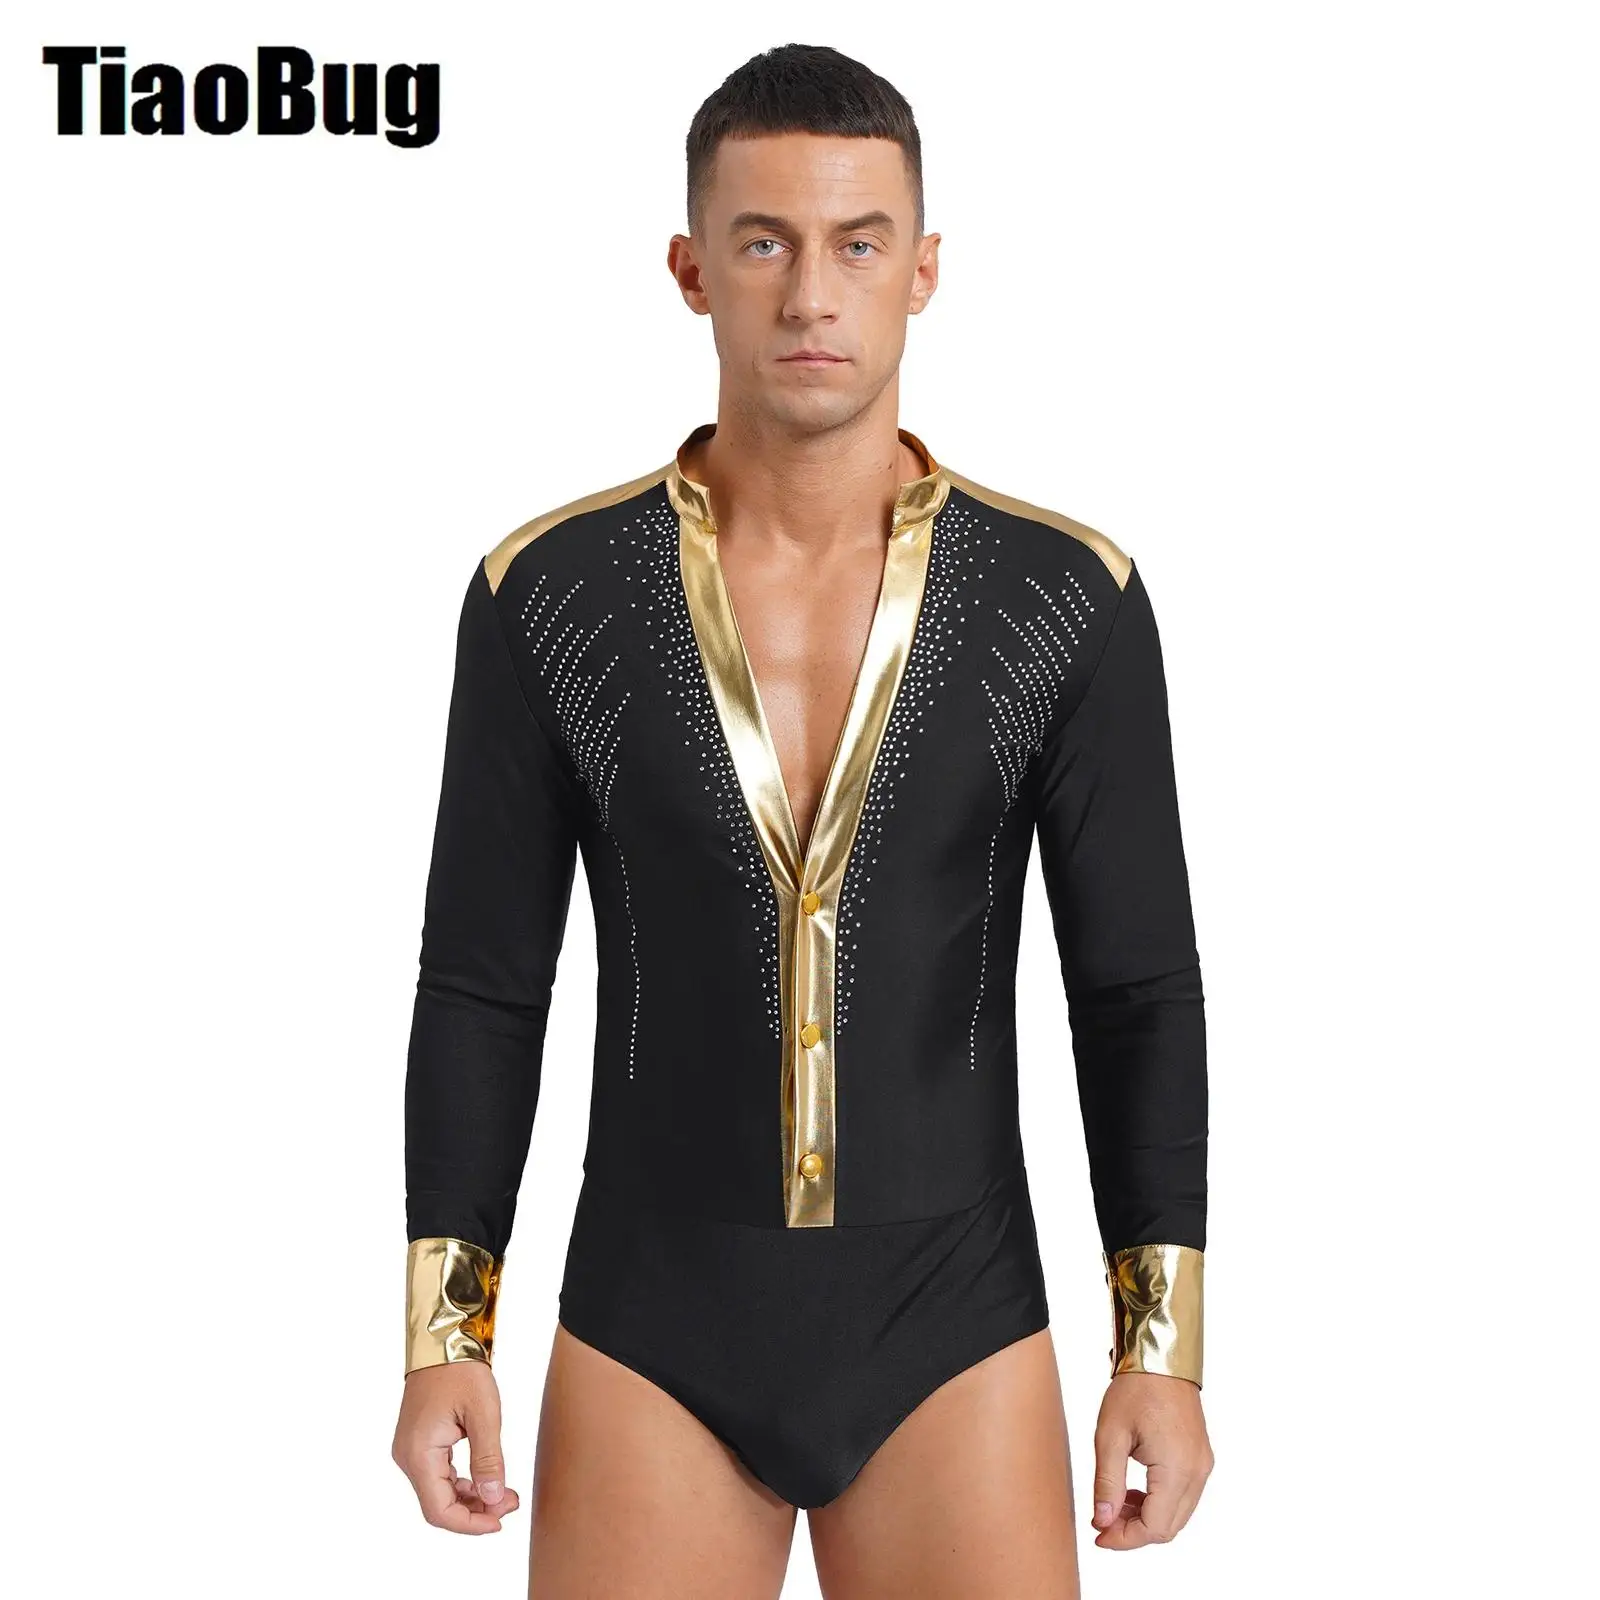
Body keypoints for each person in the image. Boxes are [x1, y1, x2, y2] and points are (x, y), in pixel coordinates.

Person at [390, 41, 1212, 1599]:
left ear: (925, 270)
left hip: (955, 1317)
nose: (812, 296)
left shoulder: (1063, 599)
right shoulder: (550, 594)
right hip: (652, 1319)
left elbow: (1137, 993)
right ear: (692, 269)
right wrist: (447, 1331)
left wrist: (1159, 1349)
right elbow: (484, 986)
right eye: (765, 243)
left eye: (859, 245)